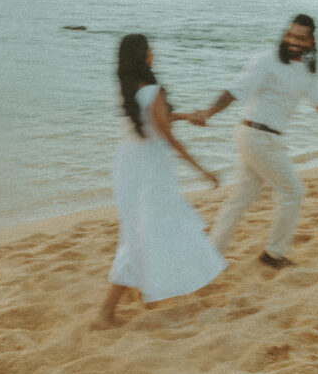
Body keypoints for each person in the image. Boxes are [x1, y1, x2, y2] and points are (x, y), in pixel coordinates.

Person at [192, 14, 318, 269]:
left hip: (263, 137)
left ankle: (211, 255)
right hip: (257, 136)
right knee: (293, 192)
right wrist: (209, 112)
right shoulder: (266, 60)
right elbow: (235, 90)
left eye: (300, 37)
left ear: (310, 41)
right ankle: (274, 253)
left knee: (241, 197)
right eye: (289, 34)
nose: (292, 41)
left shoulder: (305, 70)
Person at [94, 34, 227, 328]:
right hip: (153, 171)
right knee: (145, 235)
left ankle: (148, 297)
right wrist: (203, 170)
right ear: (144, 55)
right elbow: (166, 134)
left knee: (140, 231)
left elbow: (151, 119)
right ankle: (105, 313)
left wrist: (185, 116)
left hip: (128, 167)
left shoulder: (124, 91)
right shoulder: (152, 89)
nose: (154, 52)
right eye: (150, 48)